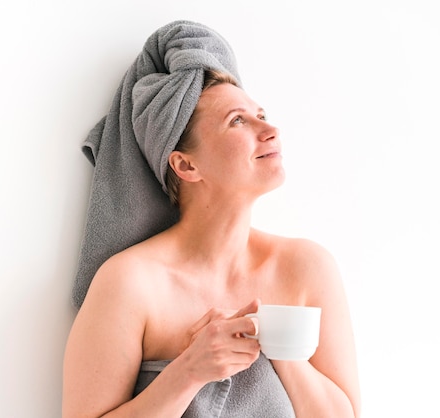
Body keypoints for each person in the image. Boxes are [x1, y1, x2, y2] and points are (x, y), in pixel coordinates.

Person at [63, 21, 360, 418]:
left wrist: (281, 349)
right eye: (238, 120)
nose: (270, 130)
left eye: (261, 114)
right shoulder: (129, 282)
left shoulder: (307, 267)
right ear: (185, 164)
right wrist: (189, 370)